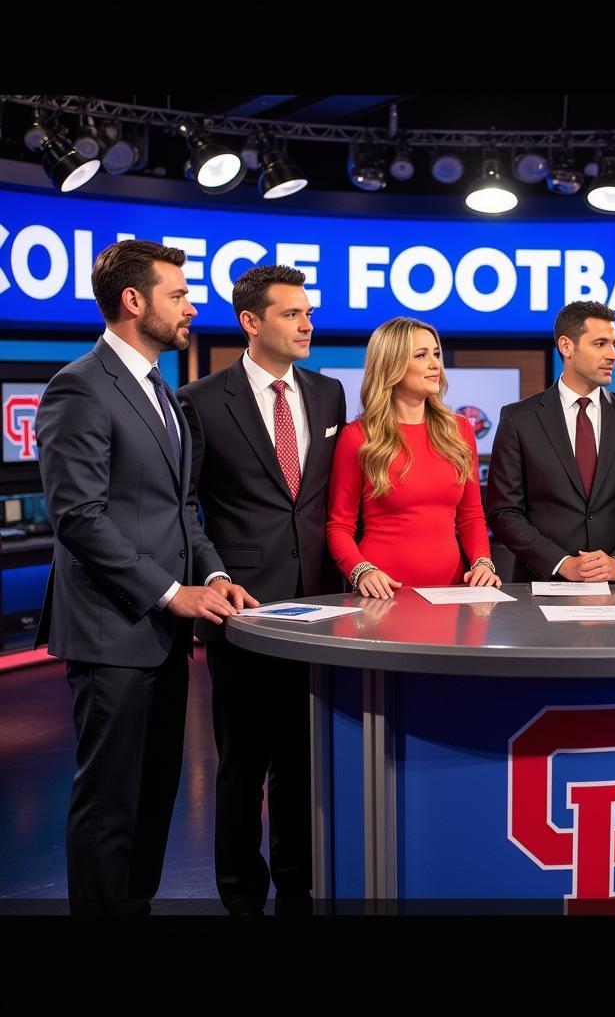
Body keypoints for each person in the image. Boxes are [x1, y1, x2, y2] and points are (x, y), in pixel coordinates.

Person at [34, 239, 256, 916]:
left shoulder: (160, 388)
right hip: (110, 632)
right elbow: (78, 517)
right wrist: (170, 591)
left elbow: (179, 511)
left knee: (155, 794)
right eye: (179, 295)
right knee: (111, 806)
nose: (192, 307)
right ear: (134, 302)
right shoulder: (78, 386)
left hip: (160, 635)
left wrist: (213, 573)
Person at [177, 265, 346, 917]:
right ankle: (242, 899)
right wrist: (214, 573)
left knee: (302, 767)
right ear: (251, 322)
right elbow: (185, 506)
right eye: (291, 314)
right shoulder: (199, 398)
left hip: (321, 613)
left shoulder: (329, 393)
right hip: (243, 611)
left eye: (308, 312)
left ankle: (298, 892)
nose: (307, 324)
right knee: (242, 767)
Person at [486, 300, 615, 584]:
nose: (613, 355)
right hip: (542, 586)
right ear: (566, 346)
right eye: (600, 344)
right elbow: (503, 512)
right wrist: (562, 563)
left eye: (614, 344)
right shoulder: (518, 418)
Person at [326, 316, 499, 597]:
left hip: (451, 593)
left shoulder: (459, 429)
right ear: (392, 365)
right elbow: (339, 526)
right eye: (421, 355)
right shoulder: (358, 436)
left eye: (436, 354)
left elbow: (471, 516)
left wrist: (482, 562)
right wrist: (361, 570)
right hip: (384, 594)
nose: (435, 365)